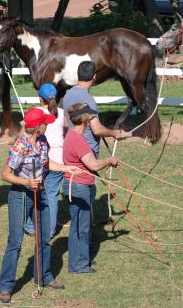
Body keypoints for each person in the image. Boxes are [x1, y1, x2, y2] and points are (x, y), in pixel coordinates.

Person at [0, 108, 81, 304]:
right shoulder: (20, 147)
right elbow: (5, 174)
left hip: (39, 193)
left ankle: (43, 276)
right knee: (15, 242)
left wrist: (66, 167)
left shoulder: (42, 141)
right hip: (21, 195)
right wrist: (26, 183)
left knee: (44, 237)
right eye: (45, 122)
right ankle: (5, 285)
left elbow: (46, 164)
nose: (48, 124)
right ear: (37, 127)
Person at [62, 103, 119, 275]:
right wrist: (109, 161)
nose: (93, 119)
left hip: (77, 186)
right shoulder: (77, 140)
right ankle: (78, 265)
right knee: (81, 227)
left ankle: (81, 258)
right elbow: (93, 164)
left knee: (80, 225)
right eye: (91, 117)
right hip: (79, 187)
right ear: (85, 119)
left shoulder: (71, 135)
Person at [24, 83, 65, 239]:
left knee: (35, 191)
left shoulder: (35, 113)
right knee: (52, 195)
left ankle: (31, 226)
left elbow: (26, 132)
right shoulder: (61, 112)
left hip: (40, 159)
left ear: (40, 98)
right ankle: (49, 230)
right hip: (58, 158)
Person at [62, 60, 127, 158]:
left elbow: (66, 124)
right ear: (94, 77)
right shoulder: (88, 100)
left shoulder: (67, 95)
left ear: (78, 75)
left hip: (72, 149)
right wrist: (114, 133)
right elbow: (97, 130)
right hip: (87, 152)